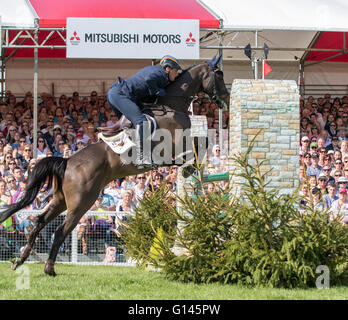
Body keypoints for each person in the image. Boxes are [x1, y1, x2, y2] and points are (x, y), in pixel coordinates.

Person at [106, 55, 182, 169]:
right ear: (167, 68)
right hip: (121, 95)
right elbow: (149, 80)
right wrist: (158, 91)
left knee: (131, 125)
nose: (176, 75)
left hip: (117, 94)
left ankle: (128, 150)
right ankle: (142, 157)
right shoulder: (160, 73)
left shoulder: (158, 72)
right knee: (141, 122)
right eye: (175, 71)